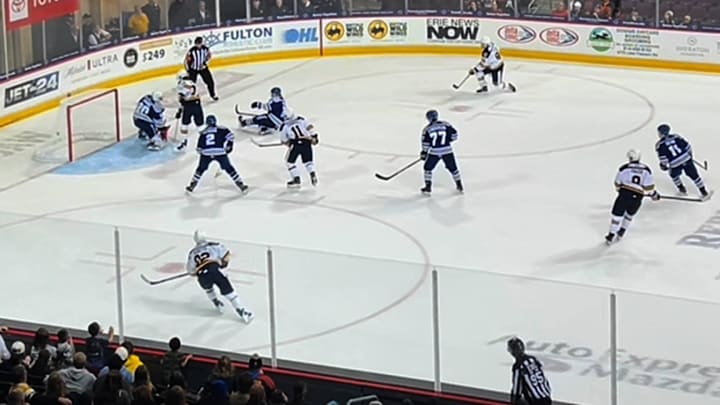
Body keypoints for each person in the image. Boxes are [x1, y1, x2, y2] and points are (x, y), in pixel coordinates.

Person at [185, 230, 254, 323]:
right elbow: (227, 255)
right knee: (230, 293)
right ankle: (242, 312)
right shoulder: (214, 245)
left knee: (208, 288)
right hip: (214, 270)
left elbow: (191, 271)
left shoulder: (192, 253)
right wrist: (223, 264)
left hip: (202, 275)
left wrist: (198, 272)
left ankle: (216, 302)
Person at [605, 149, 659, 244]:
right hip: (638, 197)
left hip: (624, 194)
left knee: (617, 215)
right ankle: (622, 231)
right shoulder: (646, 169)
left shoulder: (624, 168)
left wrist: (620, 190)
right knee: (629, 214)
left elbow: (617, 183)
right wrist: (654, 195)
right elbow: (649, 188)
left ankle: (611, 235)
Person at [185, 115, 249, 193]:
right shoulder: (222, 129)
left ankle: (192, 185)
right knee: (229, 168)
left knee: (200, 169)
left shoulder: (203, 132)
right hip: (220, 152)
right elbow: (231, 136)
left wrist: (204, 153)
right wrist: (229, 145)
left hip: (206, 153)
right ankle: (240, 185)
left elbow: (199, 149)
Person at [655, 123, 711, 200]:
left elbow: (663, 158)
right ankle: (703, 191)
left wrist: (664, 165)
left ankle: (682, 189)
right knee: (695, 175)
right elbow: (687, 146)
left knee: (674, 175)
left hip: (675, 163)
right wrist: (689, 155)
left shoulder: (659, 145)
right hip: (686, 158)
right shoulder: (676, 137)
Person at [419, 110, 463, 195]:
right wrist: (448, 141)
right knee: (453, 168)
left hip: (434, 152)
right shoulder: (446, 124)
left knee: (427, 168)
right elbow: (455, 135)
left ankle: (428, 187)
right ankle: (459, 184)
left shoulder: (427, 129)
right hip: (447, 150)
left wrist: (424, 152)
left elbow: (425, 143)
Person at [507, 337, 552, 405]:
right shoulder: (533, 359)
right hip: (547, 398)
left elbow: (516, 391)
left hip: (536, 402)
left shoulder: (518, 366)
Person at [280, 115, 318, 188]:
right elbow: (310, 127)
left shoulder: (284, 126)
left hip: (295, 144)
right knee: (308, 162)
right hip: (307, 142)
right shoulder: (301, 119)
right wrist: (314, 137)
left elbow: (284, 140)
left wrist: (288, 143)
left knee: (289, 162)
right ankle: (312, 173)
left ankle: (296, 179)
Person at [175, 71, 204, 151]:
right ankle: (204, 142)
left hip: (188, 106)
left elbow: (182, 99)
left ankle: (184, 142)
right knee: (200, 126)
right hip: (197, 105)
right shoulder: (193, 83)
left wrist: (180, 111)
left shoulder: (181, 85)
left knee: (184, 125)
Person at [185, 36, 218, 101]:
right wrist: (188, 70)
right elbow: (186, 61)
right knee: (191, 84)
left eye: (199, 43)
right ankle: (190, 96)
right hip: (193, 69)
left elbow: (209, 57)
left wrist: (205, 64)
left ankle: (213, 95)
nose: (198, 45)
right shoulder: (191, 51)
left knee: (210, 82)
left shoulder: (206, 49)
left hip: (203, 68)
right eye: (197, 43)